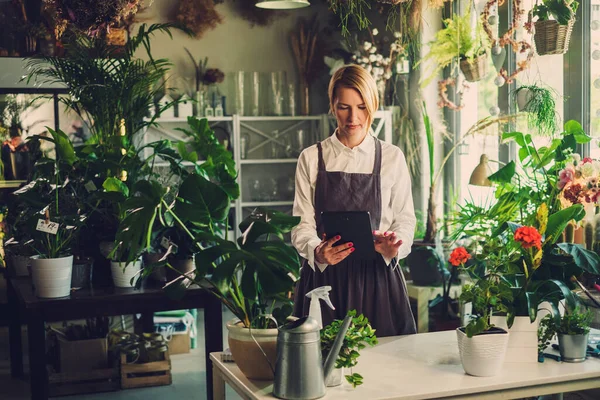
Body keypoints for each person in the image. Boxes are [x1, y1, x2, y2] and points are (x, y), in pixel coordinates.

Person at [292, 64, 417, 337]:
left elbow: (405, 219)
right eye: (343, 107)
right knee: (321, 368)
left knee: (386, 368)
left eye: (361, 107)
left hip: (377, 279)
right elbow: (301, 223)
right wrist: (316, 250)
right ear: (332, 106)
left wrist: (395, 245)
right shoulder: (311, 158)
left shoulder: (392, 157)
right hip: (325, 280)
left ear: (372, 104)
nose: (353, 117)